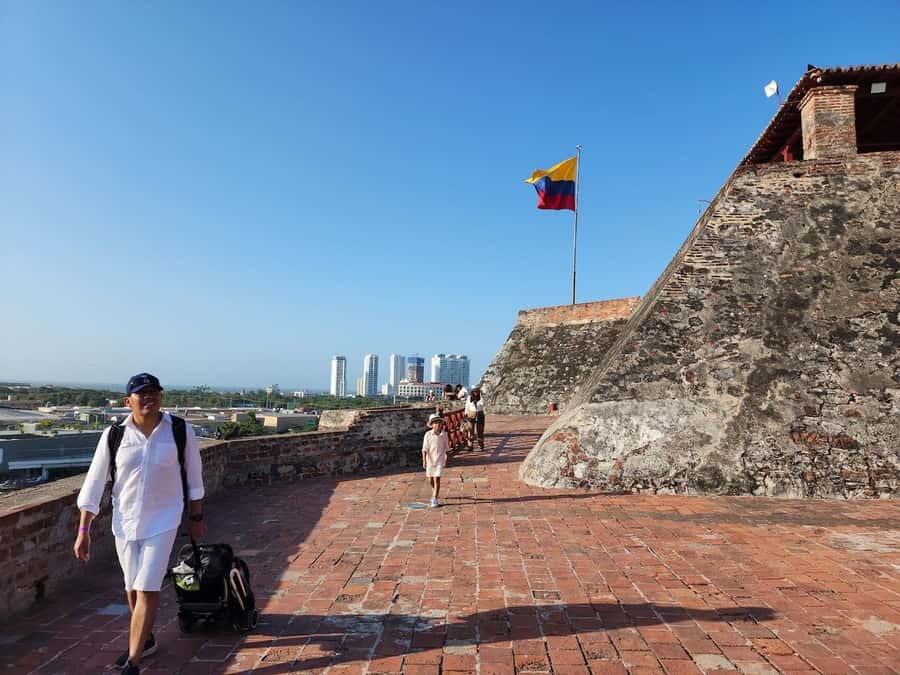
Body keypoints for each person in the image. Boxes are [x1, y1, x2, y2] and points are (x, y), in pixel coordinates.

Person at [74, 373, 206, 675]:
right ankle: (145, 640)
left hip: (164, 518)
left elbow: (195, 479)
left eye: (155, 393)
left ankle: (133, 659)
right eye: (142, 394)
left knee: (147, 586)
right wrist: (84, 531)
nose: (149, 398)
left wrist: (196, 517)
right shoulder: (114, 435)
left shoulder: (179, 431)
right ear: (128, 401)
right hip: (125, 521)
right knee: (131, 587)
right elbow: (94, 484)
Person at [422, 413, 449, 507]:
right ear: (432, 425)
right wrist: (424, 460)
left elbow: (446, 448)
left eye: (439, 422)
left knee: (437, 478)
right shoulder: (428, 435)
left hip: (439, 460)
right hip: (430, 459)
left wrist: (446, 458)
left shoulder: (444, 435)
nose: (437, 425)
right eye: (435, 423)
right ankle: (435, 491)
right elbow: (424, 449)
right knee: (430, 479)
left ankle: (434, 499)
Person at [465, 385, 486, 451]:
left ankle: (481, 444)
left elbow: (483, 405)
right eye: (474, 391)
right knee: (470, 430)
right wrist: (466, 413)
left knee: (480, 430)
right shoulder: (469, 398)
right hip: (471, 413)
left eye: (477, 391)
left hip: (479, 413)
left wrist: (477, 403)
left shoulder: (481, 397)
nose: (475, 392)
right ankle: (470, 445)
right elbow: (467, 405)